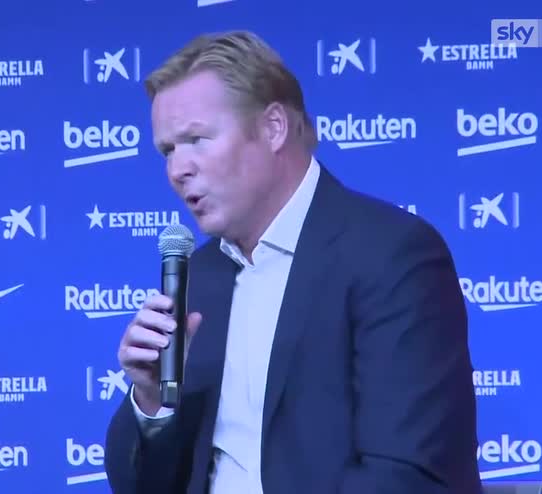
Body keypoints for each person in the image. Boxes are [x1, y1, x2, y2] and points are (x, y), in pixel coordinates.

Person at [104, 30, 482, 494]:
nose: (177, 169)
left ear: (273, 128)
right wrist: (151, 399)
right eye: (168, 150)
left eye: (196, 139)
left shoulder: (391, 255)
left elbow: (407, 473)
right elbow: (142, 487)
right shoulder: (198, 278)